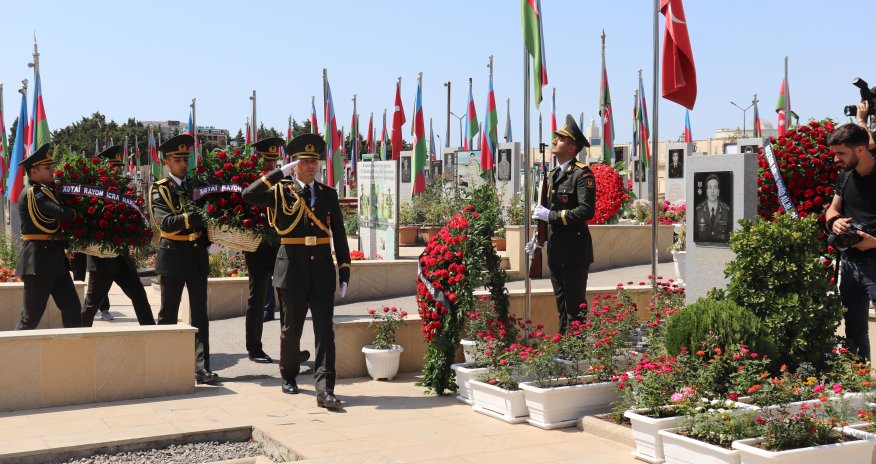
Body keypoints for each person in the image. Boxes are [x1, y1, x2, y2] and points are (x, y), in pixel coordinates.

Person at [242, 133, 351, 409]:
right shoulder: (281, 191)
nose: (311, 166)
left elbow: (339, 233)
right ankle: (288, 374)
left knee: (325, 331)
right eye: (304, 161)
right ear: (295, 164)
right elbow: (248, 195)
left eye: (314, 160)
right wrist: (279, 173)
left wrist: (345, 269)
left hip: (323, 270)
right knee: (291, 329)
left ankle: (325, 388)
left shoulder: (328, 194)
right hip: (291, 269)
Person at [149, 134, 217, 385]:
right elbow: (165, 223)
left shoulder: (196, 186)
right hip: (173, 255)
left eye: (185, 158)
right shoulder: (160, 189)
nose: (182, 163)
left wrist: (211, 241)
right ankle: (165, 364)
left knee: (200, 314)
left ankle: (202, 367)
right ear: (166, 161)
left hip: (197, 255)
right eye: (177, 159)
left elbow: (210, 216)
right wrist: (195, 217)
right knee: (168, 312)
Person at [526, 115, 596, 334]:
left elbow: (586, 211)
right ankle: (565, 349)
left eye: (561, 139)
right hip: (556, 251)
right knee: (562, 306)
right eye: (556, 138)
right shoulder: (553, 174)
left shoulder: (581, 174)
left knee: (575, 307)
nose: (554, 142)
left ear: (572, 147)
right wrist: (539, 238)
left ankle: (577, 351)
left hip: (574, 252)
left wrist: (551, 216)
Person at [242, 137, 306, 364]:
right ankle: (254, 348)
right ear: (256, 159)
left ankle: (290, 350)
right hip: (257, 244)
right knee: (257, 296)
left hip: (279, 242)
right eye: (265, 161)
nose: (270, 166)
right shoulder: (252, 182)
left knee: (287, 297)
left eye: (273, 161)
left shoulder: (284, 180)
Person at [81, 146, 156, 327]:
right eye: (112, 169)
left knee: (139, 295)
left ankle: (153, 336)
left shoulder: (123, 192)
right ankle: (76, 341)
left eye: (118, 168)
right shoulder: (93, 193)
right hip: (102, 259)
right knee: (91, 305)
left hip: (122, 258)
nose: (116, 172)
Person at [15, 143, 82, 329]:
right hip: (37, 261)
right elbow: (61, 213)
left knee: (72, 309)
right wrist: (79, 208)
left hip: (55, 260)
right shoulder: (34, 193)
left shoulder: (47, 191)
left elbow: (55, 226)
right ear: (33, 171)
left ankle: (74, 351)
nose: (52, 170)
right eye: (47, 167)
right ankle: (11, 356)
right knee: (30, 317)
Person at [825, 123, 876, 360]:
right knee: (854, 332)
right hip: (850, 264)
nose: (836, 159)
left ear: (861, 150)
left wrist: (873, 243)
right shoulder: (845, 176)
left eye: (841, 153)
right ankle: (862, 387)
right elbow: (832, 210)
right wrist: (834, 222)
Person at [693, 174, 731, 243]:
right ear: (707, 191)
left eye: (715, 187)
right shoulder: (699, 211)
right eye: (710, 187)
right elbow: (696, 234)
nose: (712, 191)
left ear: (718, 191)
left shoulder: (726, 211)